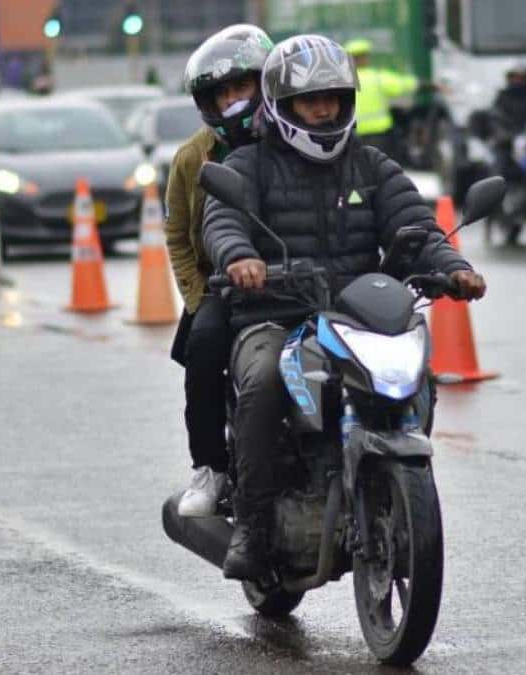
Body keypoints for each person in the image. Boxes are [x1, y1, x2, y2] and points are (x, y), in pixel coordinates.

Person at [203, 35, 487, 581]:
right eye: (311, 101)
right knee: (263, 380)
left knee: (416, 371)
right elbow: (223, 220)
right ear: (282, 106)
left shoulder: (373, 166)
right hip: (274, 315)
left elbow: (416, 227)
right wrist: (240, 257)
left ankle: (387, 481)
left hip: (358, 316)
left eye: (333, 98)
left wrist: (453, 267)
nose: (325, 110)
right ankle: (255, 527)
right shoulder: (249, 165)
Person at [165, 24, 273, 518]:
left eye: (241, 88)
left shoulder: (294, 141)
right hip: (221, 287)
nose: (232, 101)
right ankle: (210, 468)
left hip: (294, 281)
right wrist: (198, 297)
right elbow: (179, 236)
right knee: (203, 349)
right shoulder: (192, 158)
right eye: (220, 93)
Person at [344, 38, 418, 157]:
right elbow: (405, 85)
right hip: (380, 133)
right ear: (366, 58)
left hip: (354, 135)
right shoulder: (378, 77)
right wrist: (431, 85)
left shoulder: (343, 80)